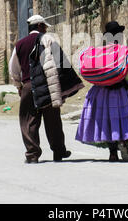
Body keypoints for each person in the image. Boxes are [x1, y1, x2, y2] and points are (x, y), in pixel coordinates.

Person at [9, 15, 84, 164]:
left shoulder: (19, 45)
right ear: (39, 27)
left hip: (28, 87)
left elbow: (14, 69)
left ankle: (32, 155)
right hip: (47, 86)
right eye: (44, 26)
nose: (45, 29)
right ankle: (59, 152)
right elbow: (61, 63)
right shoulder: (48, 40)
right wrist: (66, 85)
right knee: (53, 120)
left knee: (28, 120)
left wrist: (18, 86)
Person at [76, 21, 128, 162]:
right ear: (120, 36)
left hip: (100, 93)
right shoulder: (125, 51)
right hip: (122, 91)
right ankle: (123, 142)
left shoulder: (100, 53)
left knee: (107, 121)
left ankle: (112, 153)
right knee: (123, 119)